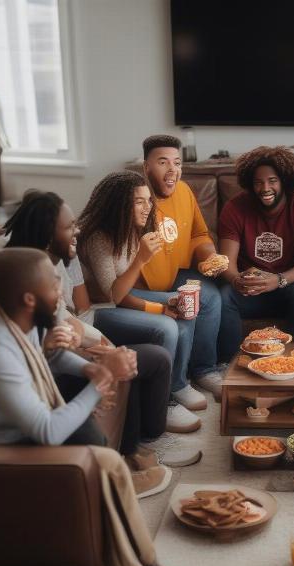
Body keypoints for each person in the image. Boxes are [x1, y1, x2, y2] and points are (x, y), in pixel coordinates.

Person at [0, 248, 240, 566]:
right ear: (29, 297)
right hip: (8, 455)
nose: (62, 289)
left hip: (26, 436)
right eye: (52, 282)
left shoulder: (19, 318)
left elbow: (49, 356)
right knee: (104, 461)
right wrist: (102, 380)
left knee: (109, 463)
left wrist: (91, 367)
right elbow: (47, 431)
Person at [3, 190, 196, 487]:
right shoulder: (22, 286)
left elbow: (72, 316)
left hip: (75, 338)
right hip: (26, 428)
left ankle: (137, 447)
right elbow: (78, 311)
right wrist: (101, 373)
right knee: (136, 356)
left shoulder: (40, 291)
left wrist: (92, 364)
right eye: (69, 226)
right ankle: (124, 468)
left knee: (138, 357)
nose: (77, 230)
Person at [76, 171, 206, 432]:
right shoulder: (97, 238)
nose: (148, 207)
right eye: (139, 201)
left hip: (116, 301)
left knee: (182, 302)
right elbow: (115, 295)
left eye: (149, 200)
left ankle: (177, 384)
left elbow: (123, 294)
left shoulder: (131, 229)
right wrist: (142, 264)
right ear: (120, 205)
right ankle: (162, 402)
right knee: (165, 327)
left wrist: (163, 306)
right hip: (96, 311)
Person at [132, 135, 227, 404]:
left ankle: (204, 370)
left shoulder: (184, 191)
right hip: (142, 284)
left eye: (177, 162)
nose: (173, 170)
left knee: (210, 297)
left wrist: (208, 256)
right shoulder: (136, 198)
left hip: (175, 272)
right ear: (146, 167)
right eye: (163, 162)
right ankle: (177, 384)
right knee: (186, 306)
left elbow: (199, 233)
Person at [217, 146, 294, 362]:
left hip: (288, 287)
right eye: (258, 182)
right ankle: (230, 364)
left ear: (284, 181)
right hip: (252, 291)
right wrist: (237, 280)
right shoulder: (235, 208)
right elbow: (226, 262)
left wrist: (279, 280)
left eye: (272, 181)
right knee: (225, 295)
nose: (265, 188)